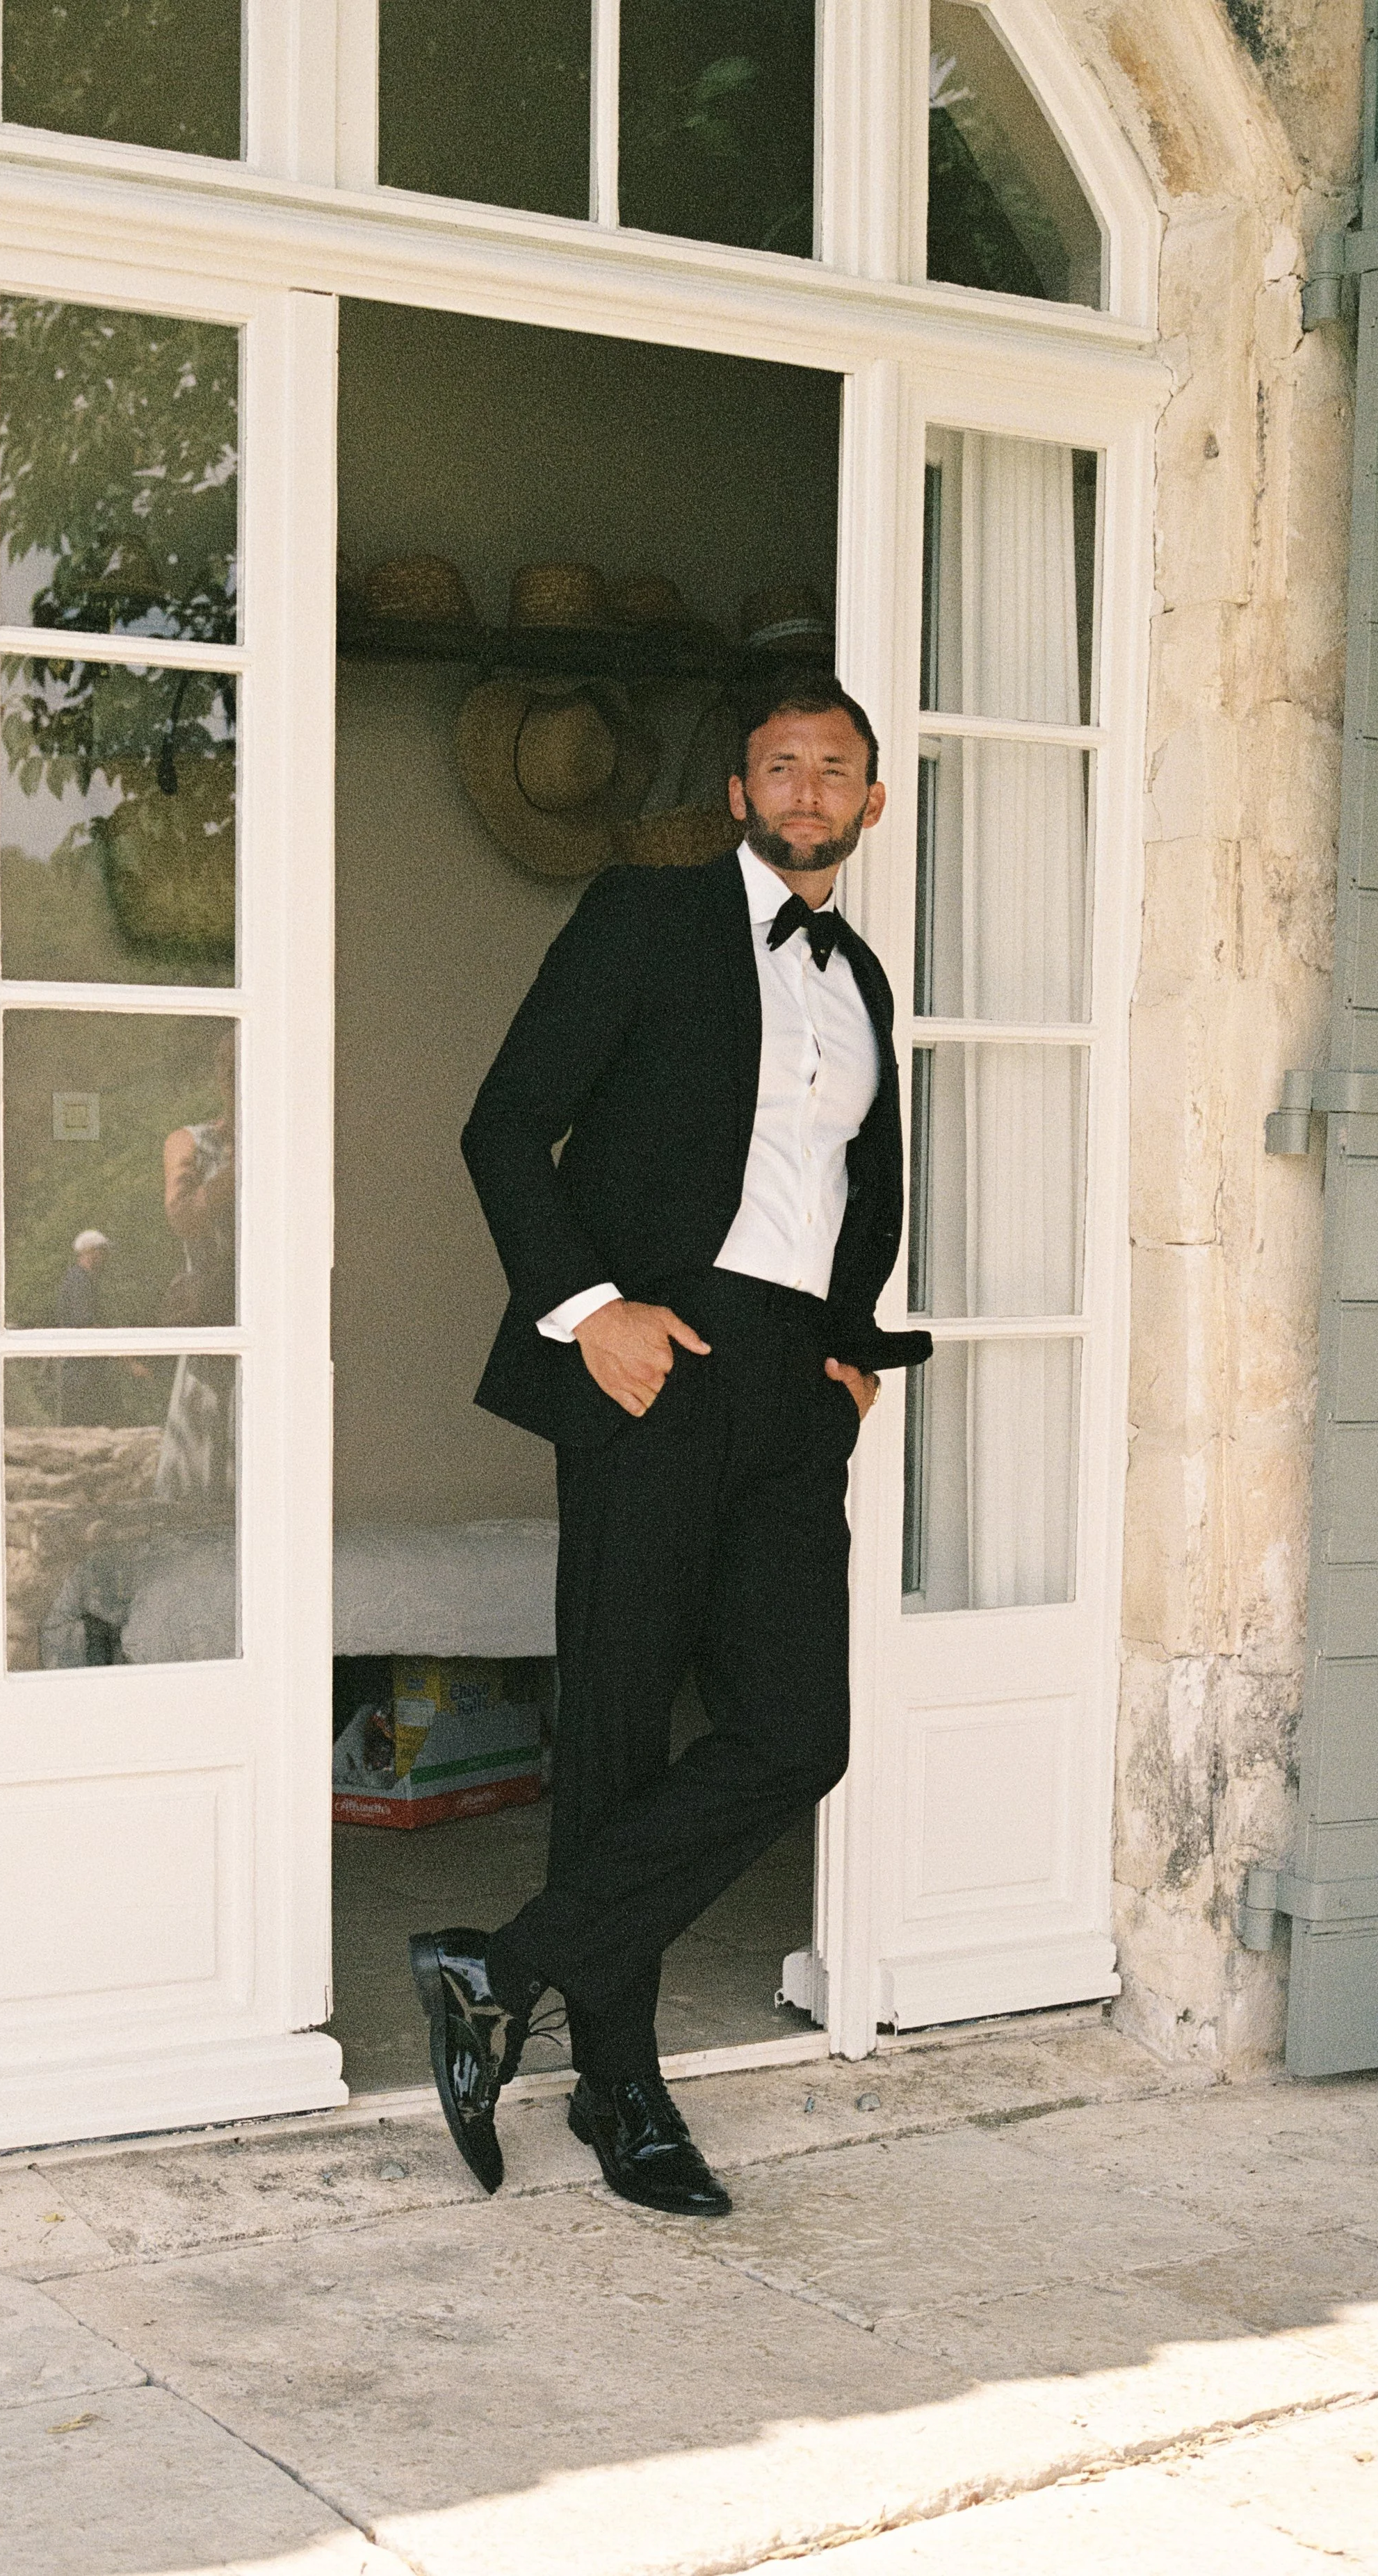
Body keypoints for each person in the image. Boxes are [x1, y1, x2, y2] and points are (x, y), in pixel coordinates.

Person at [411, 670, 931, 2215]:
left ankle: (498, 1973)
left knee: (797, 1728)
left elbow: (859, 1185)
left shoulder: (864, 982)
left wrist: (843, 1356)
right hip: (653, 1355)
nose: (803, 787)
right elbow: (504, 1124)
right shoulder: (646, 917)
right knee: (622, 1723)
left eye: (831, 767)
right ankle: (618, 2088)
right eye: (777, 763)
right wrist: (589, 1310)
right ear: (737, 794)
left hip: (787, 1387)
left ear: (869, 801)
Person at [155, 1027, 236, 1506]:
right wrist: (246, 1163)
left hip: (281, 1319)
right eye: (225, 1066)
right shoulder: (191, 1142)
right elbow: (184, 1217)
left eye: (241, 1065)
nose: (232, 1076)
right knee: (200, 1480)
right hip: (216, 1321)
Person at [56, 1229, 112, 1425]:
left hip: (83, 1368)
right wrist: (125, 1357)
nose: (105, 1256)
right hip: (81, 1371)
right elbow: (86, 1321)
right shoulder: (79, 1281)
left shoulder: (81, 1279)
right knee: (85, 1425)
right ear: (89, 1252)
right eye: (101, 1251)